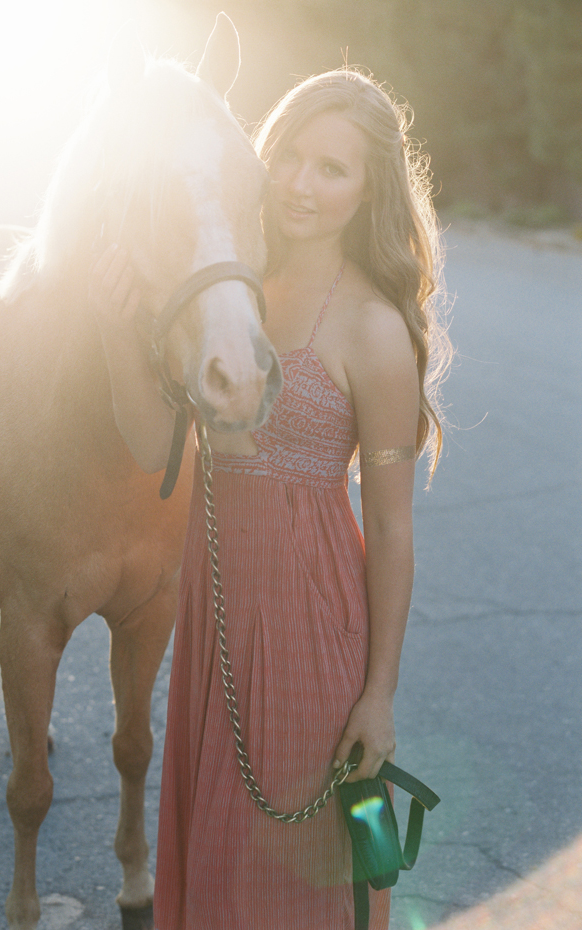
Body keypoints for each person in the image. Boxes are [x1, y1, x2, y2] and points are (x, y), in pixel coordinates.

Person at [90, 67, 450, 930]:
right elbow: (151, 446)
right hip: (216, 618)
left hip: (312, 630)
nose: (301, 184)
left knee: (314, 866)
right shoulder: (226, 288)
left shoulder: (372, 326)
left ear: (369, 193)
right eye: (292, 156)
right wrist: (114, 328)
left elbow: (393, 527)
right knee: (218, 855)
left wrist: (380, 697)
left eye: (335, 170)